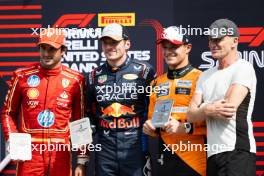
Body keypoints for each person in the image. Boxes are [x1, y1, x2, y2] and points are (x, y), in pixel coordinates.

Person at [1, 28, 88, 176]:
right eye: (43, 48)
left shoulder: (75, 80)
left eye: (52, 49)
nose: (46, 53)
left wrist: (82, 159)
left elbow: (79, 121)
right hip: (29, 153)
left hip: (60, 153)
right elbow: (8, 113)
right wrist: (12, 139)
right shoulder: (21, 76)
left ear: (63, 50)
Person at [187, 19, 257, 176]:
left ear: (235, 41)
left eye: (218, 39)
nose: (213, 44)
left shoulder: (243, 67)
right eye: (211, 39)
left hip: (238, 151)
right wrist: (209, 109)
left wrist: (203, 108)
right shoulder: (205, 75)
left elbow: (227, 109)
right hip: (213, 154)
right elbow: (190, 115)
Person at [86, 23, 156, 176]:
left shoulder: (145, 71)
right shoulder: (93, 76)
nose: (110, 47)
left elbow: (155, 107)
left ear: (127, 44)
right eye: (106, 43)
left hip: (135, 149)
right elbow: (86, 115)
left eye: (114, 42)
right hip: (105, 152)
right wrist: (81, 158)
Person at [143, 26, 206, 176]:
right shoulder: (156, 83)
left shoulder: (202, 78)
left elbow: (214, 124)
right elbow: (154, 124)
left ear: (187, 48)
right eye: (165, 47)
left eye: (174, 46)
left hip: (194, 159)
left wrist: (183, 127)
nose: (168, 51)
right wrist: (150, 128)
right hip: (165, 156)